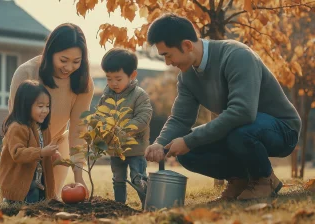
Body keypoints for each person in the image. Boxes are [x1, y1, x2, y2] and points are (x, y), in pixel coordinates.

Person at [144, 14, 301, 201]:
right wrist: (160, 143)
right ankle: (240, 179)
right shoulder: (186, 76)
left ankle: (264, 180)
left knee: (237, 132)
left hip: (282, 129)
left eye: (167, 55)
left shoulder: (237, 55)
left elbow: (242, 112)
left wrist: (190, 140)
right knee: (188, 153)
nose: (167, 63)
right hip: (241, 129)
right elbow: (180, 118)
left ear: (187, 45)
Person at [9, 23, 94, 198]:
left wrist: (79, 175)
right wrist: (37, 152)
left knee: (51, 198)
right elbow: (16, 123)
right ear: (50, 52)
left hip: (56, 145)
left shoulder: (83, 82)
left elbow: (79, 128)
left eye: (76, 62)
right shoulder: (26, 73)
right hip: (25, 143)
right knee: (24, 198)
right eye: (63, 60)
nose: (69, 67)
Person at [97, 48, 153, 208]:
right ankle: (119, 205)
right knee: (118, 179)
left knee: (138, 177)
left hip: (136, 149)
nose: (113, 83)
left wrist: (124, 130)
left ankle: (146, 204)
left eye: (118, 78)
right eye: (109, 78)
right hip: (116, 150)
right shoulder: (106, 96)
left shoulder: (139, 95)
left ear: (132, 75)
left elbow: (144, 117)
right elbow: (100, 116)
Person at [0, 80, 61, 203]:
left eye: (47, 106)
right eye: (40, 106)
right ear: (25, 105)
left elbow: (45, 150)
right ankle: (11, 202)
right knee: (29, 204)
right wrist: (42, 152)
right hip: (21, 184)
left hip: (38, 180)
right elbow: (17, 153)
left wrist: (53, 154)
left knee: (41, 204)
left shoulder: (43, 128)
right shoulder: (17, 127)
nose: (45, 110)